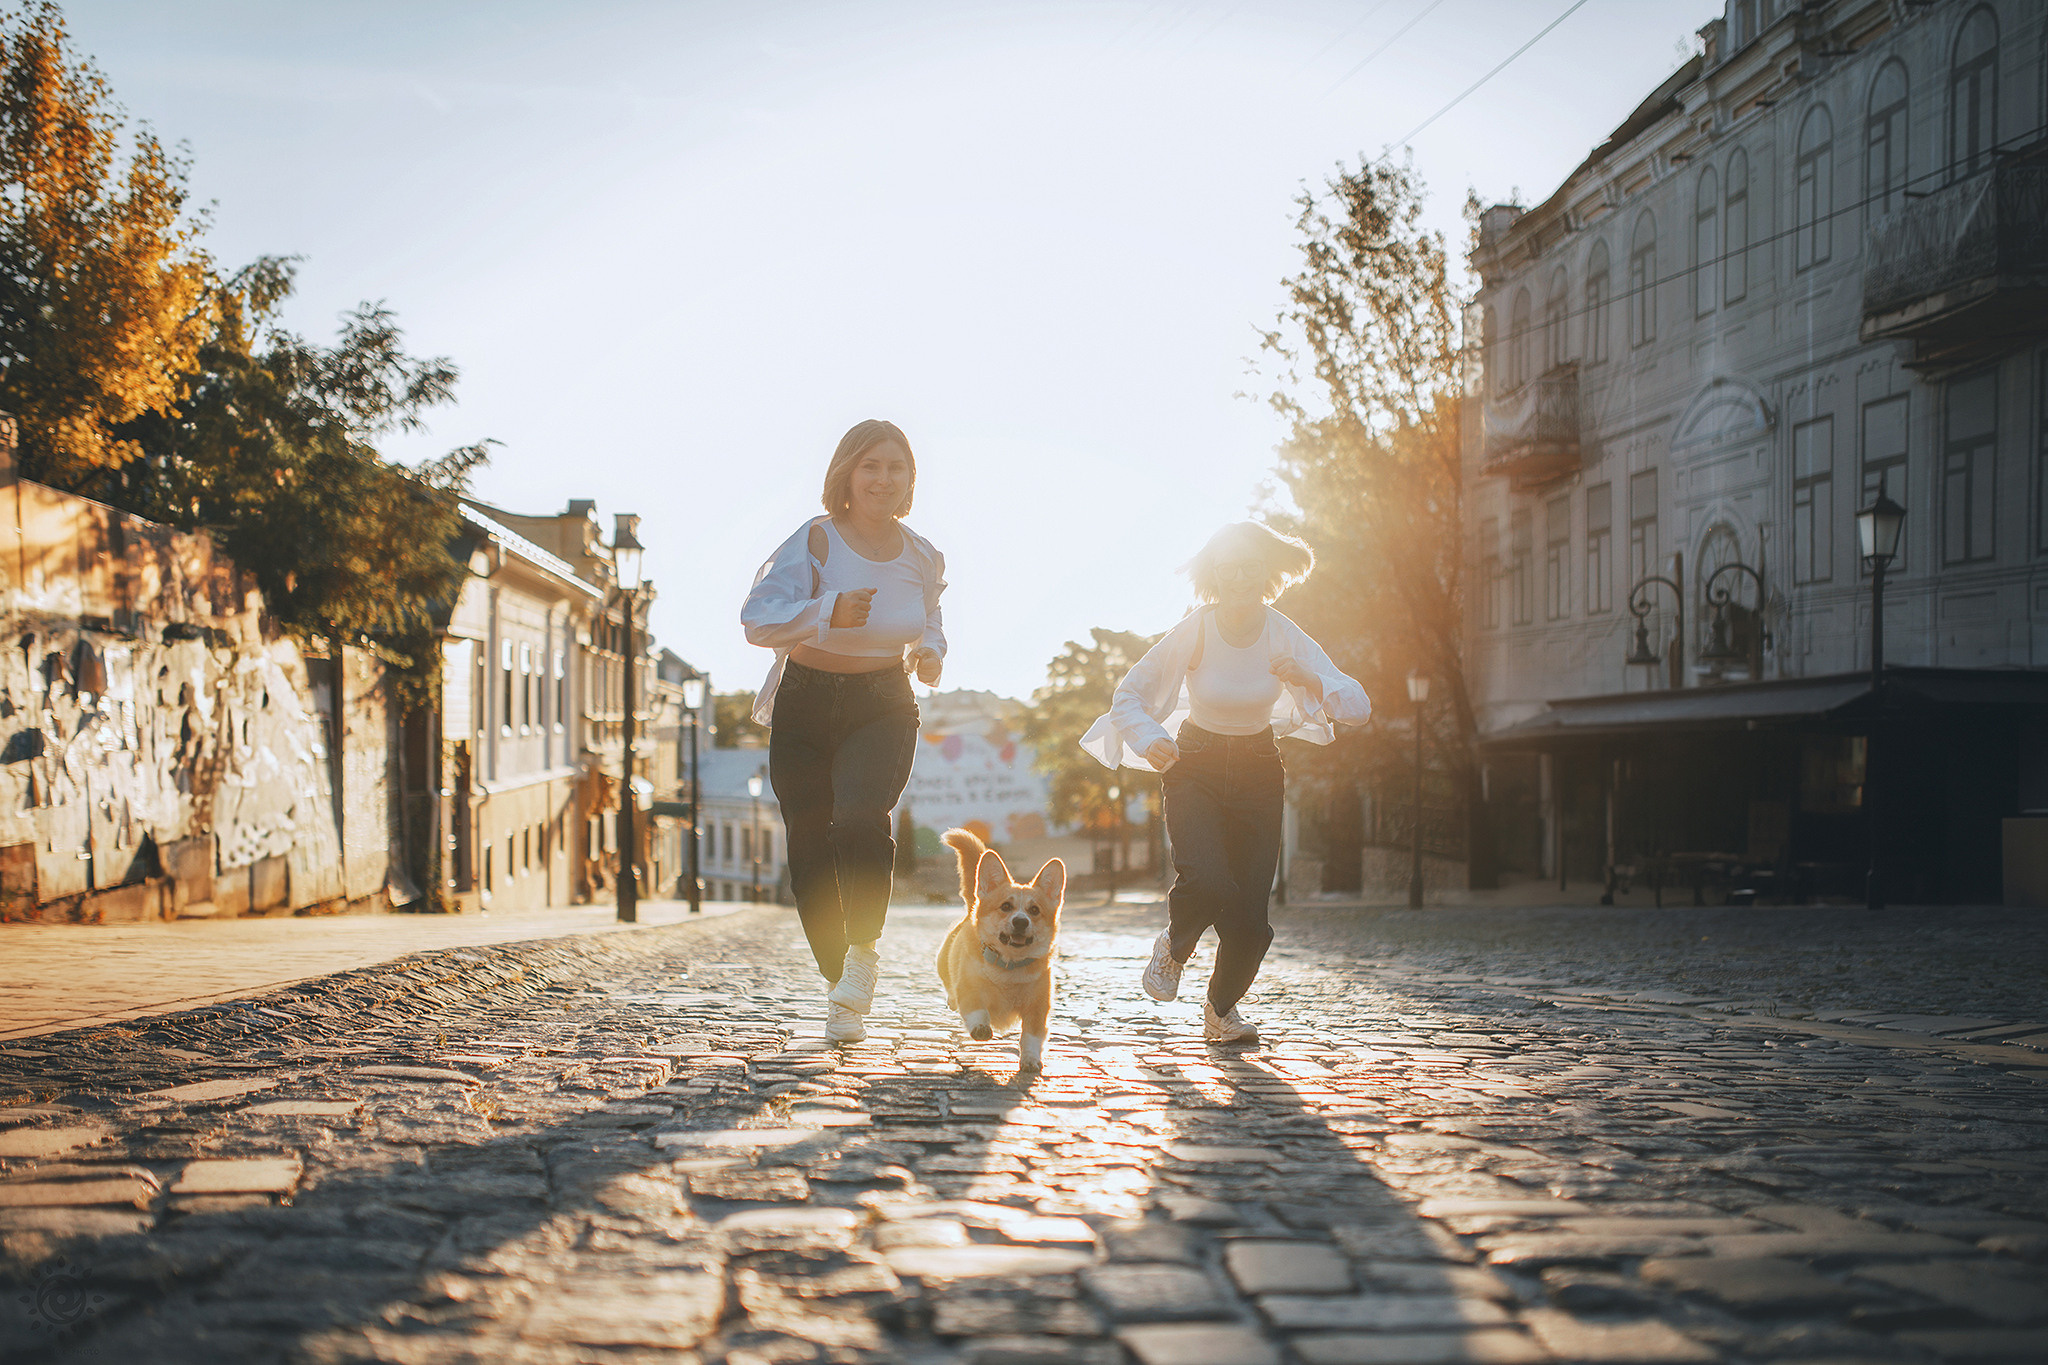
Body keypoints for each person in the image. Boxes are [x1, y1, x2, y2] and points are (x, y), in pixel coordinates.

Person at [1080, 521, 1369, 1043]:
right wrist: (1148, 740)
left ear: (1267, 572)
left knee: (1251, 920)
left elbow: (1357, 707)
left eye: (1249, 566)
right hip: (1195, 766)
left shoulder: (1284, 632)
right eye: (1227, 567)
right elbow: (1129, 696)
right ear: (1214, 573)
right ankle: (1174, 946)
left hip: (1260, 769)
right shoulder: (1197, 628)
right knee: (1209, 879)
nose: (1239, 576)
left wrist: (1311, 680)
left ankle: (1220, 1011)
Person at [742, 420, 945, 1043]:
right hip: (805, 704)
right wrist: (826, 611)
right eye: (871, 467)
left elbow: (929, 619)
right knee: (808, 849)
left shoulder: (923, 554)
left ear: (911, 478)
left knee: (860, 817)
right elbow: (756, 621)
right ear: (847, 476)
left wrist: (932, 651)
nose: (884, 479)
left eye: (896, 467)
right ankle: (842, 986)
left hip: (882, 702)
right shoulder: (816, 542)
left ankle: (862, 955)